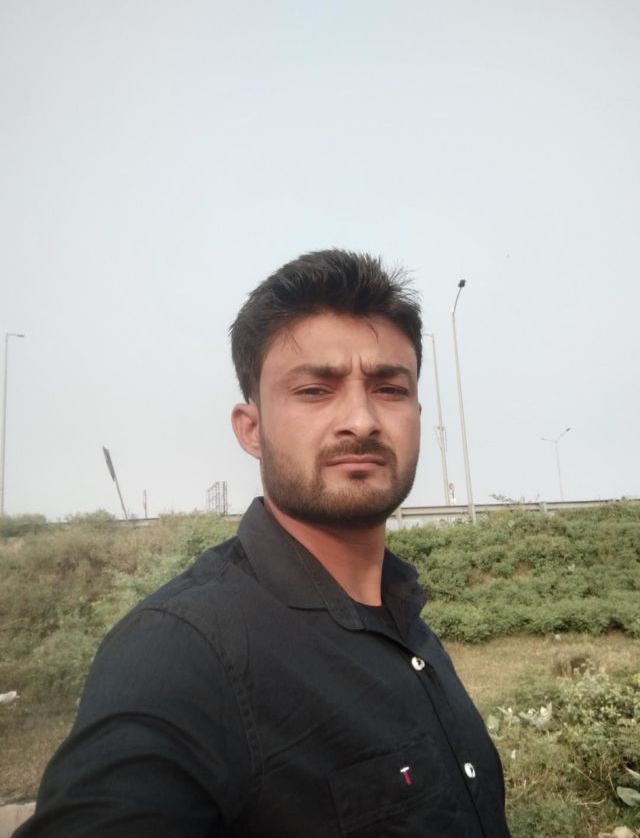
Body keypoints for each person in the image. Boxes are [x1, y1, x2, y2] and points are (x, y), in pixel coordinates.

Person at [16, 250, 510, 837]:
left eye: (389, 388)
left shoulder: (406, 618)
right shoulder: (183, 651)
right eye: (315, 390)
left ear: (417, 414)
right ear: (251, 429)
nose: (361, 420)